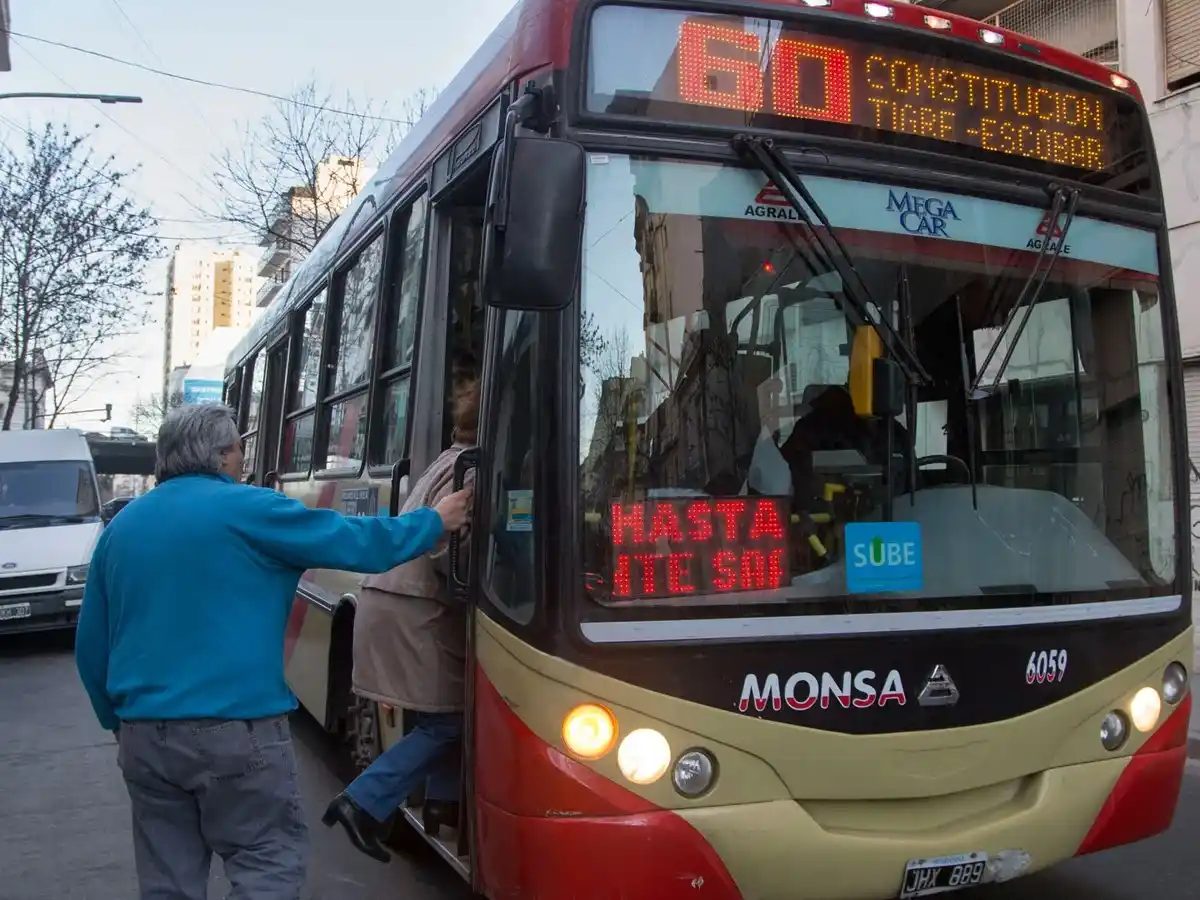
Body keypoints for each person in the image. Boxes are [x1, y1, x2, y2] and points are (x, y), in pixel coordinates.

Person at [74, 403, 472, 900]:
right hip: (237, 730)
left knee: (167, 882)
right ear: (221, 456)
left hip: (144, 737)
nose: (244, 460)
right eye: (241, 449)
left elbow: (91, 648)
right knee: (267, 864)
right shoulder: (251, 510)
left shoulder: (121, 530)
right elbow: (360, 545)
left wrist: (119, 725)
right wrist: (435, 520)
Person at [323, 375, 480, 862]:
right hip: (417, 610)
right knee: (451, 720)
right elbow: (451, 554)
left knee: (443, 711)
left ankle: (441, 808)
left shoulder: (447, 459)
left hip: (392, 599)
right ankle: (362, 802)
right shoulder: (475, 471)